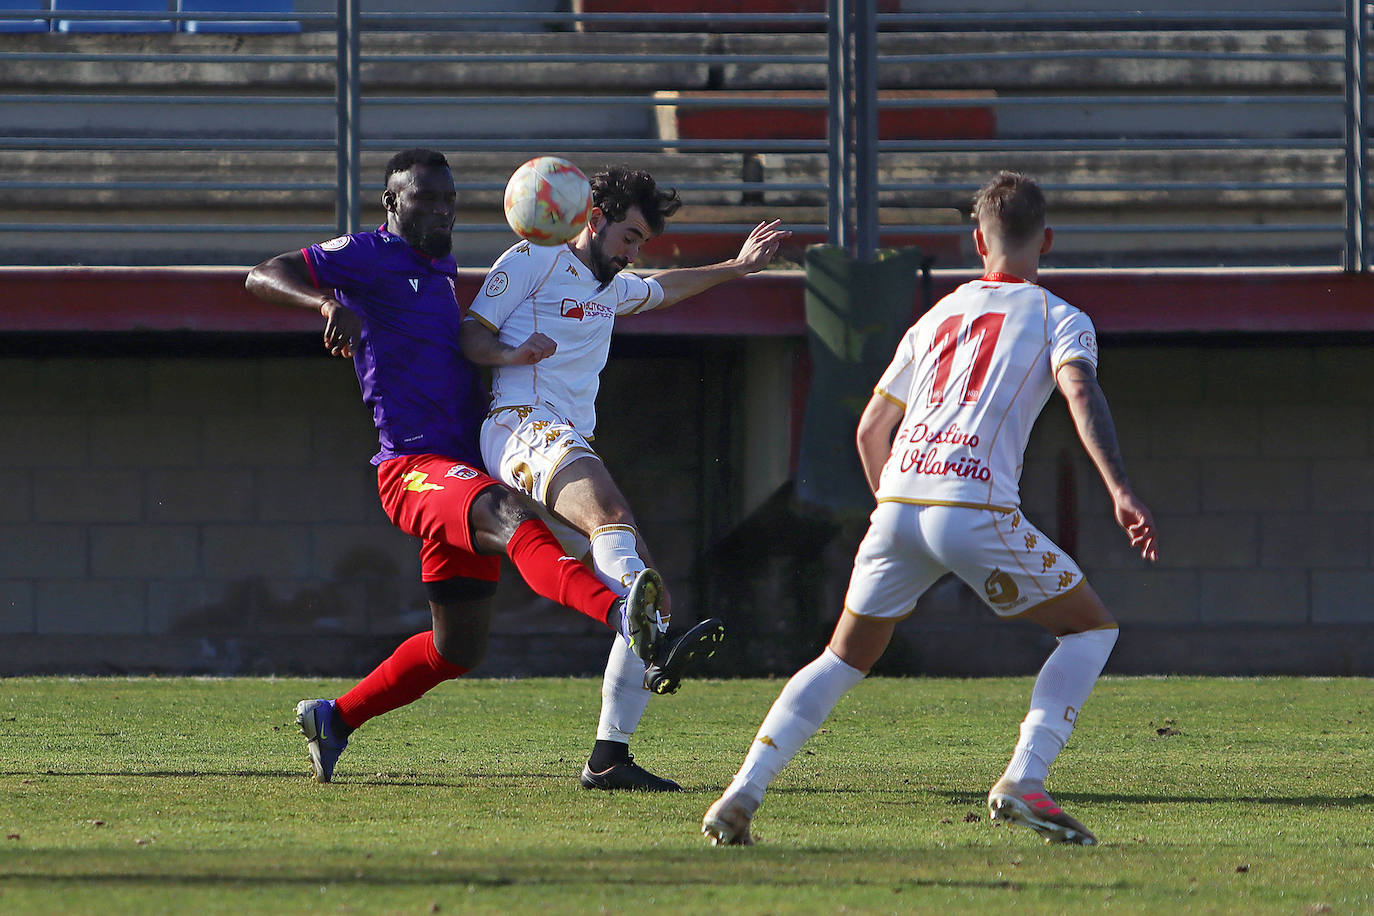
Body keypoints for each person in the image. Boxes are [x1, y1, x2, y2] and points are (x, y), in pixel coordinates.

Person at [702, 171, 1159, 846]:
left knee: (841, 658)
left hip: (897, 502)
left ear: (978, 241)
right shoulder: (1059, 316)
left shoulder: (936, 316)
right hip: (971, 504)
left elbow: (867, 432)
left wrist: (891, 510)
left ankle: (743, 789)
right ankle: (1025, 779)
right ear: (1048, 240)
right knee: (1090, 631)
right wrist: (1121, 489)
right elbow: (1082, 396)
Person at [244, 148, 696, 784]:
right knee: (510, 516)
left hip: (464, 466)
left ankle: (334, 718)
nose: (441, 210)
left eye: (450, 199)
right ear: (391, 204)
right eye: (425, 199)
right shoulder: (369, 256)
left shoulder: (439, 265)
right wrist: (322, 305)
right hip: (413, 468)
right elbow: (263, 273)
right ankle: (622, 615)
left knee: (457, 647)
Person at [460, 165, 791, 791]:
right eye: (630, 236)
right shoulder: (532, 259)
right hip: (518, 424)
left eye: (641, 243)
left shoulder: (611, 286)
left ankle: (609, 757)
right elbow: (471, 334)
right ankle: (638, 627)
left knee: (655, 596)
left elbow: (667, 287)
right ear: (594, 218)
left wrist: (740, 266)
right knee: (612, 516)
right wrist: (513, 353)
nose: (634, 251)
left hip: (563, 438)